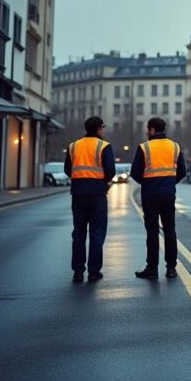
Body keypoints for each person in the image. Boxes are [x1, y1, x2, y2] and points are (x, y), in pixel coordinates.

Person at [131, 117, 186, 280]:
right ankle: (171, 268)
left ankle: (152, 268)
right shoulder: (175, 147)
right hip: (168, 194)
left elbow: (135, 173)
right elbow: (182, 171)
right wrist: (168, 182)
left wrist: (148, 183)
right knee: (170, 230)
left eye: (148, 129)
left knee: (152, 231)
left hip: (150, 195)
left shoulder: (144, 147)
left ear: (152, 130)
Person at [64, 116, 116, 283]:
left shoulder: (73, 146)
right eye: (103, 127)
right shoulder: (104, 146)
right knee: (97, 234)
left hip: (78, 194)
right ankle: (94, 272)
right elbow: (111, 171)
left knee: (78, 233)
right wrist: (102, 183)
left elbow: (67, 169)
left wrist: (80, 179)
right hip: (97, 195)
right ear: (99, 128)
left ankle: (78, 272)